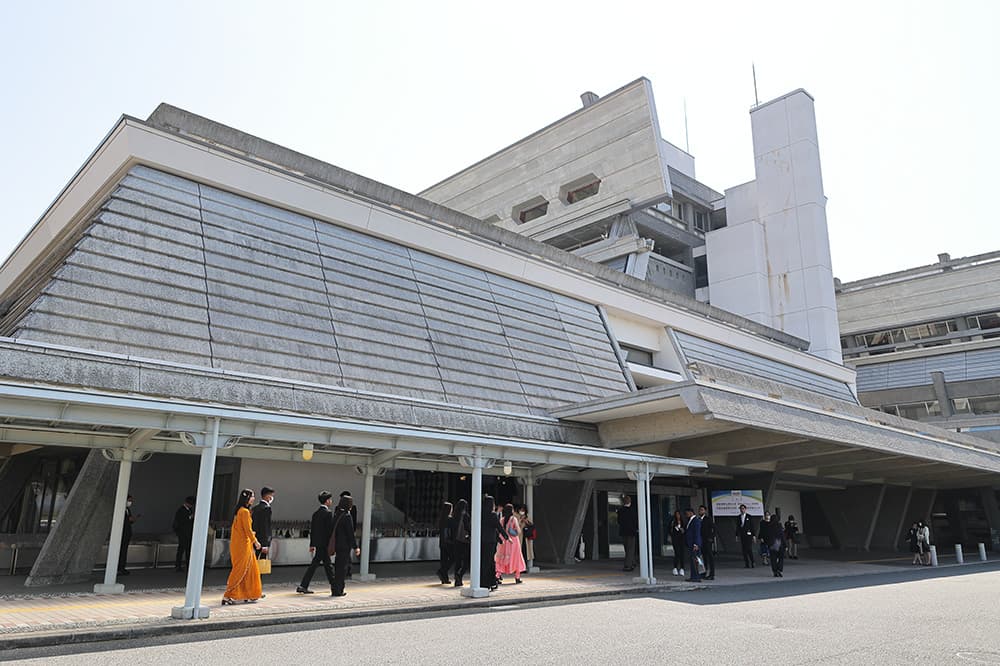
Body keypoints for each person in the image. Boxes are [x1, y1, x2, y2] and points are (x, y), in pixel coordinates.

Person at [222, 489, 262, 605]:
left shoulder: (239, 511)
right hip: (243, 545)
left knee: (250, 569)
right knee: (240, 570)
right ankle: (228, 595)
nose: (253, 499)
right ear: (247, 498)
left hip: (241, 544)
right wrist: (256, 541)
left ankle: (249, 593)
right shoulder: (244, 512)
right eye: (252, 496)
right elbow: (247, 530)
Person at [297, 491, 336, 595]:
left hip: (318, 544)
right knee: (328, 566)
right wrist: (332, 545)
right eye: (330, 500)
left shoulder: (316, 513)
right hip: (325, 544)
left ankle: (303, 585)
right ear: (327, 501)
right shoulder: (328, 513)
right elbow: (329, 531)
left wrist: (312, 544)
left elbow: (313, 530)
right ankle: (335, 587)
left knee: (317, 565)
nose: (331, 501)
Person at [331, 495, 360, 597]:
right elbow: (350, 533)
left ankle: (335, 589)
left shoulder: (337, 514)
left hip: (337, 545)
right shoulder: (347, 516)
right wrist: (355, 547)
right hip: (344, 546)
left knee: (338, 568)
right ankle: (339, 590)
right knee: (342, 569)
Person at [495, 503, 527, 584]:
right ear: (512, 510)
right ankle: (517, 577)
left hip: (503, 540)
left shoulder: (502, 519)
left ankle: (497, 576)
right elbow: (518, 531)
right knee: (516, 558)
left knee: (502, 559)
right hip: (513, 542)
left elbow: (499, 530)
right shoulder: (514, 519)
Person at [481, 495, 507, 590]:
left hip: (482, 541)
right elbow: (498, 527)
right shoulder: (493, 515)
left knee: (484, 561)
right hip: (490, 541)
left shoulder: (481, 513)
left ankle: (484, 581)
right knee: (490, 562)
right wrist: (506, 536)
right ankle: (489, 582)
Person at [450, 499, 471, 587]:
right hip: (464, 540)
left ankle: (457, 578)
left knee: (457, 560)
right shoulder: (466, 516)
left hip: (455, 540)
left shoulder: (454, 516)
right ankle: (460, 575)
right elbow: (468, 528)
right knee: (466, 561)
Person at [172, 496, 195, 572]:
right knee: (182, 549)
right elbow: (180, 521)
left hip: (188, 532)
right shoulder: (181, 510)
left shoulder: (190, 510)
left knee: (187, 549)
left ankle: (188, 565)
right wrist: (190, 517)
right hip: (182, 532)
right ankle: (178, 565)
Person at [251, 486, 275, 560]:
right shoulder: (266, 508)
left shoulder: (255, 508)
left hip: (255, 539)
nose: (272, 498)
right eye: (271, 495)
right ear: (267, 496)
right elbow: (265, 526)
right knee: (261, 562)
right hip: (262, 541)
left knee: (254, 560)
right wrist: (265, 544)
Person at [339, 490, 358, 579]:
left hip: (349, 534)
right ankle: (345, 570)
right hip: (342, 536)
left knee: (346, 554)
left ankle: (347, 569)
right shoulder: (338, 510)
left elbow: (354, 521)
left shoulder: (353, 509)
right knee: (344, 554)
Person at [618, 495, 639, 572]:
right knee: (630, 549)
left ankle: (632, 562)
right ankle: (628, 565)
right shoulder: (633, 510)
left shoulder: (621, 510)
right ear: (630, 501)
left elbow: (619, 521)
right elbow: (635, 521)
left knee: (627, 548)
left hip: (623, 531)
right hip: (631, 531)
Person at [118, 495, 137, 576]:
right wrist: (128, 519)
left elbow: (129, 521)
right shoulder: (120, 509)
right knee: (120, 551)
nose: (130, 502)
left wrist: (133, 520)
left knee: (124, 551)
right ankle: (119, 568)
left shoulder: (127, 509)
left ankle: (122, 567)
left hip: (127, 533)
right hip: (122, 533)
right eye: (129, 500)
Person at [436, 501, 454, 584]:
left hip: (442, 542)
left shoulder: (441, 519)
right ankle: (442, 571)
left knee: (443, 560)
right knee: (452, 558)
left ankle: (444, 578)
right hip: (448, 542)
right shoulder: (449, 519)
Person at [684, 508, 702, 582]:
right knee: (693, 560)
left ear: (691, 512)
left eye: (687, 513)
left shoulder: (696, 521)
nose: (686, 515)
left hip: (694, 544)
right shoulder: (690, 520)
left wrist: (696, 544)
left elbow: (697, 533)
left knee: (695, 560)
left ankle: (696, 577)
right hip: (690, 543)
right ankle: (693, 576)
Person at [698, 505, 716, 580]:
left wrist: (711, 538)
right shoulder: (698, 519)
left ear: (705, 511)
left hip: (707, 540)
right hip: (701, 541)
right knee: (703, 558)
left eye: (702, 510)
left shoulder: (708, 519)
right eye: (700, 510)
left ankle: (712, 574)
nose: (700, 511)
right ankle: (704, 572)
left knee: (710, 557)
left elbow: (714, 528)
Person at [517, 504, 535, 572]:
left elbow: (531, 525)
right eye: (521, 510)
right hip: (519, 537)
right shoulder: (516, 516)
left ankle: (524, 568)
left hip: (526, 537)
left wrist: (526, 521)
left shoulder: (527, 516)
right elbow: (515, 526)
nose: (522, 511)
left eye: (523, 510)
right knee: (519, 552)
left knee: (525, 552)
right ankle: (519, 568)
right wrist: (520, 521)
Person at [737, 504, 755, 568]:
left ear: (745, 509)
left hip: (749, 535)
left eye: (743, 508)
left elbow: (752, 526)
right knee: (744, 550)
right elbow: (738, 526)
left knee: (749, 548)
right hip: (742, 535)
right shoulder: (739, 517)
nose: (742, 510)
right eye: (741, 509)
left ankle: (752, 561)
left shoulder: (749, 516)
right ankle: (746, 563)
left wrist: (754, 535)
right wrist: (737, 535)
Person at [767, 513, 785, 578]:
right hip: (779, 544)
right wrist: (785, 545)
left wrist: (768, 544)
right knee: (781, 558)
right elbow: (782, 536)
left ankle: (775, 571)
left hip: (772, 544)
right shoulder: (779, 525)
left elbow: (767, 536)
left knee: (773, 559)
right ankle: (779, 570)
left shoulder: (769, 526)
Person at [669, 510, 686, 576]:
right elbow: (669, 530)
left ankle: (682, 568)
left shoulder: (683, 522)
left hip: (682, 539)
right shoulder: (673, 522)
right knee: (677, 553)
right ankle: (675, 567)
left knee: (682, 553)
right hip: (675, 539)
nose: (677, 516)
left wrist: (682, 530)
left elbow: (686, 530)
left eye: (679, 514)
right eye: (676, 514)